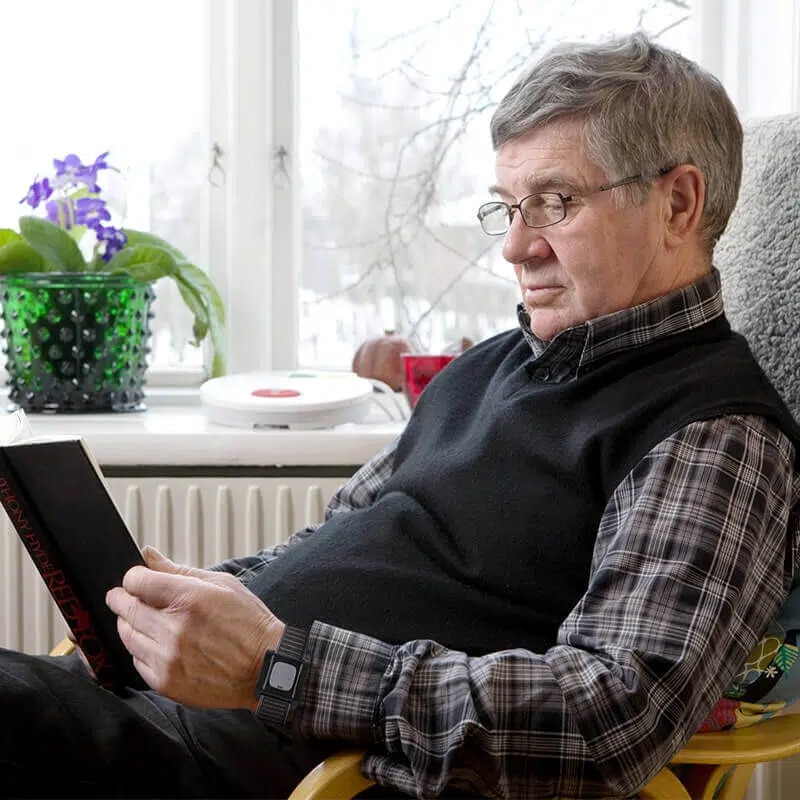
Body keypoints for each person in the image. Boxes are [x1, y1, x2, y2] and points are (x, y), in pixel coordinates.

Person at [3, 32, 800, 800]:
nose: (516, 248)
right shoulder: (494, 362)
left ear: (679, 203)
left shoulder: (713, 432)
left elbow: (610, 715)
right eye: (507, 207)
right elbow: (344, 537)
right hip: (179, 709)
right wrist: (189, 602)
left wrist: (274, 667)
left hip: (277, 764)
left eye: (555, 203)